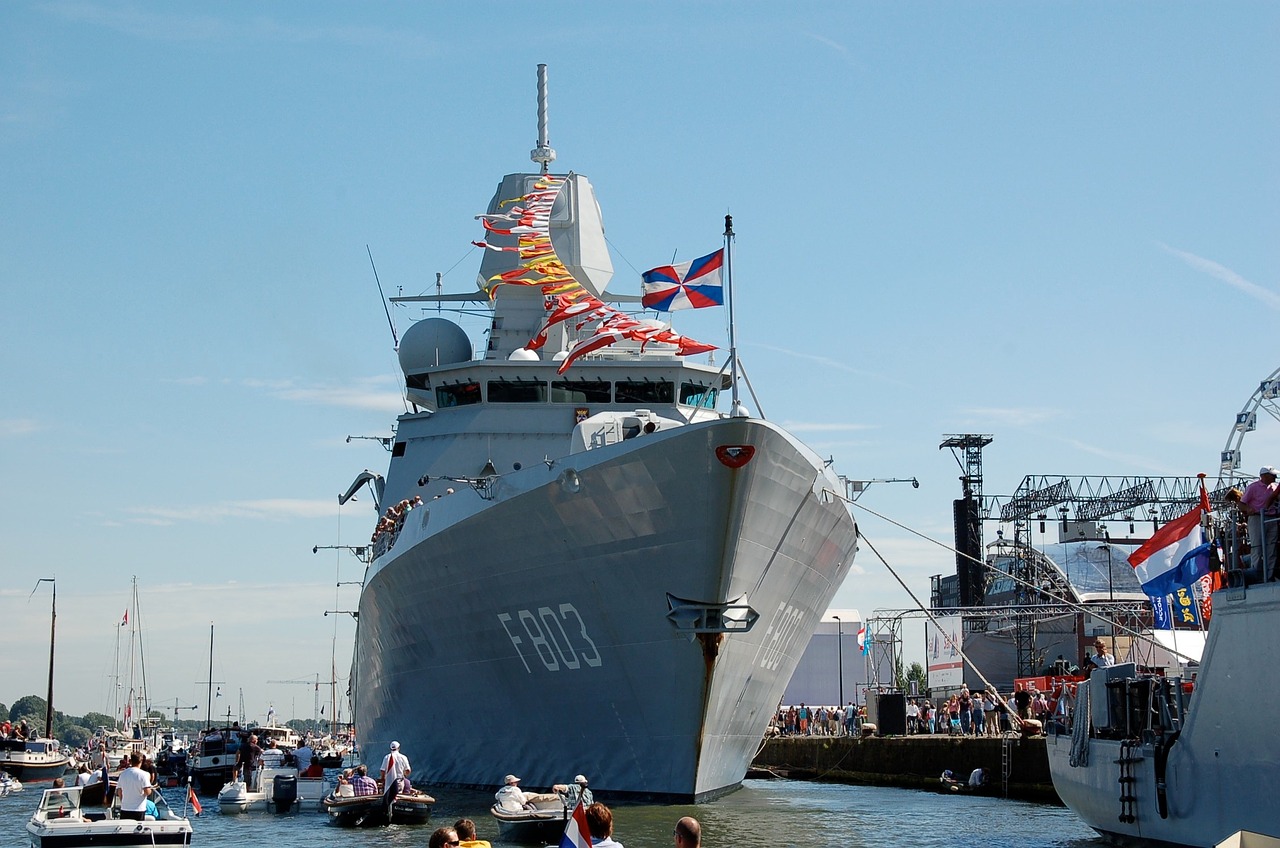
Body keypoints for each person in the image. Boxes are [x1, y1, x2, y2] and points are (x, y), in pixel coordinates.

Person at [1240, 465, 1280, 581]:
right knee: (1257, 547)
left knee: (1271, 548)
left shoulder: (1274, 487)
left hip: (1272, 518)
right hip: (1257, 518)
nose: (1275, 477)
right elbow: (1241, 503)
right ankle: (1256, 575)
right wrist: (1248, 510)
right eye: (1272, 475)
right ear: (1264, 476)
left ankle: (1269, 576)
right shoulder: (1253, 487)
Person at [116, 751, 153, 821]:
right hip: (139, 809)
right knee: (137, 830)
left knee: (125, 830)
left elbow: (119, 791)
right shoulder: (143, 774)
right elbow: (148, 792)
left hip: (125, 808)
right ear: (141, 761)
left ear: (131, 761)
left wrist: (123, 801)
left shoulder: (123, 774)